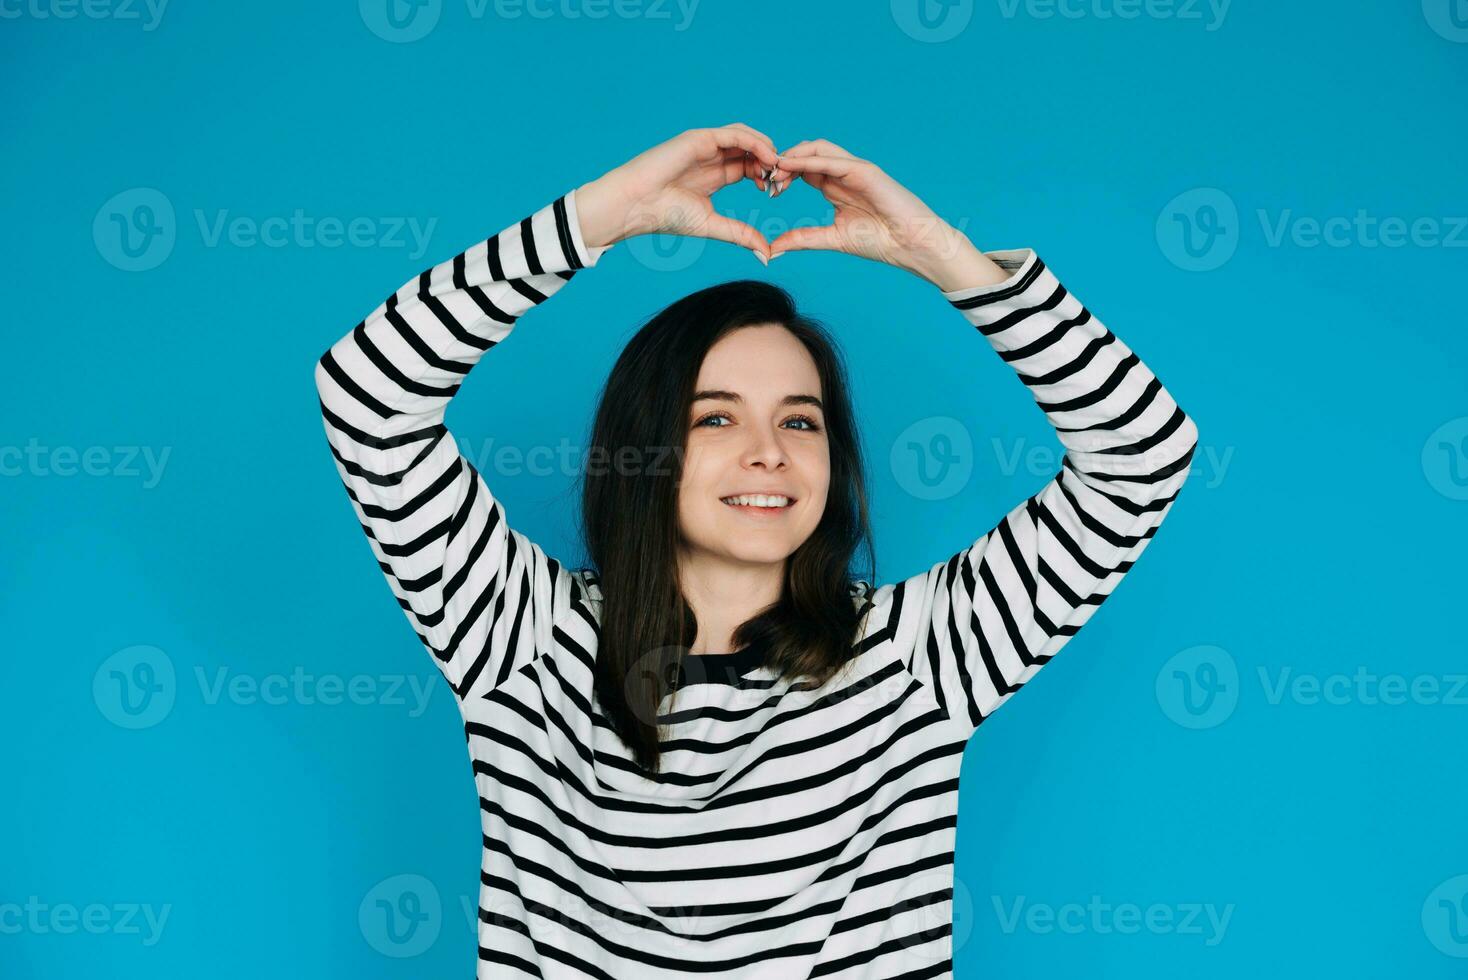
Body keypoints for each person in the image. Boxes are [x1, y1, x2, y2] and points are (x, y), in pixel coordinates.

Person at [314, 122, 1199, 978]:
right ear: (647, 447)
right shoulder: (524, 639)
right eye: (716, 416)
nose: (767, 452)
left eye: (800, 421)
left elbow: (1142, 455)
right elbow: (368, 394)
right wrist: (603, 217)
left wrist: (943, 256)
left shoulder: (916, 656)